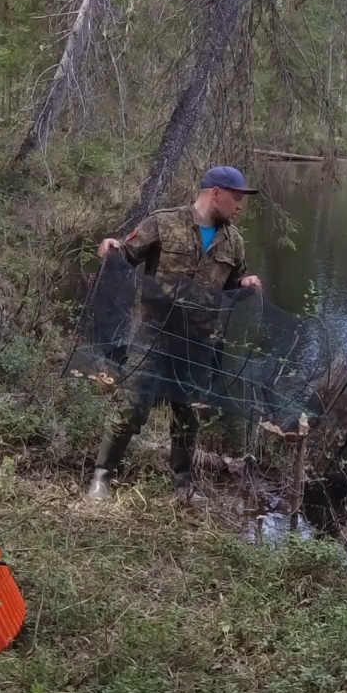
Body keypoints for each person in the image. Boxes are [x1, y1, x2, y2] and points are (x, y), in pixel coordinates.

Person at [88, 166, 264, 503]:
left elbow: (231, 283)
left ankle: (183, 486)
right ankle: (101, 479)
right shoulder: (164, 222)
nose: (240, 206)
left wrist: (246, 283)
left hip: (198, 342)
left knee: (188, 414)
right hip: (153, 335)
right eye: (236, 197)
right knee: (133, 407)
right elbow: (126, 253)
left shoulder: (234, 241)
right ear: (215, 193)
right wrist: (111, 245)